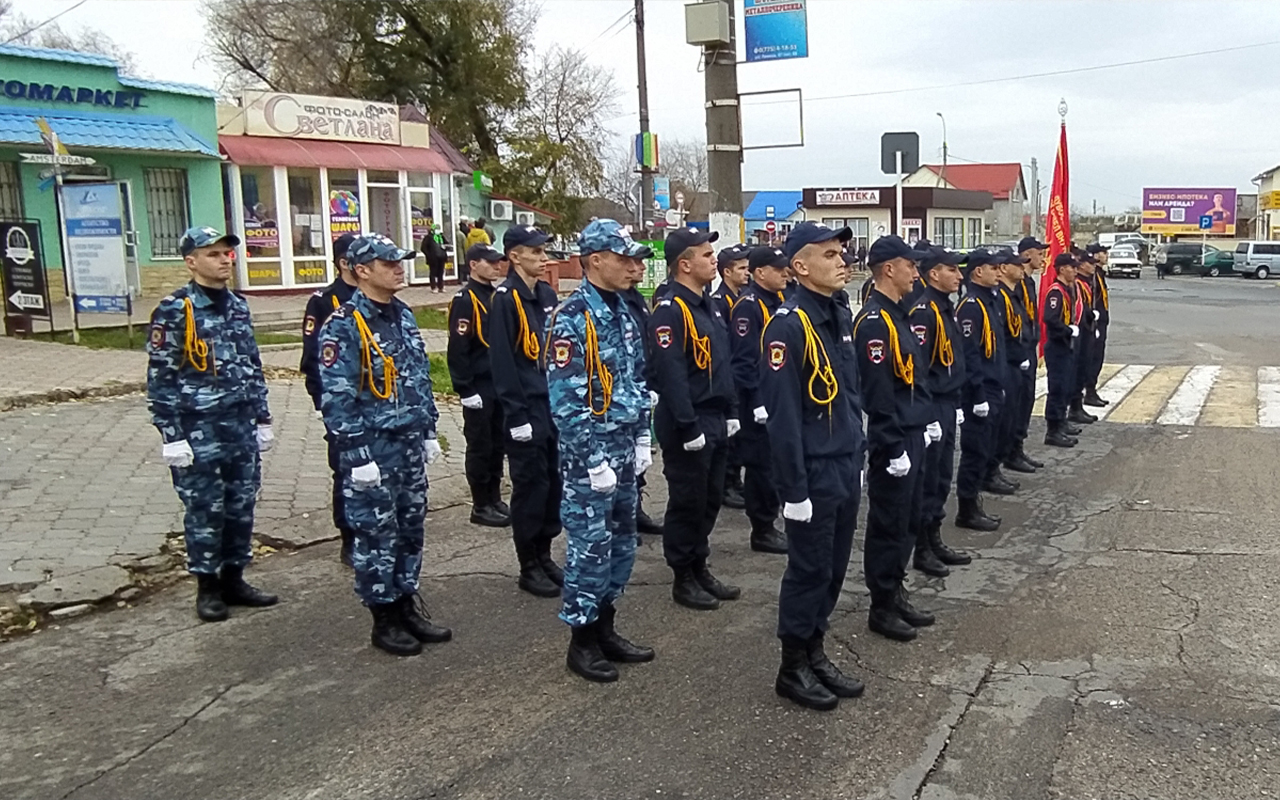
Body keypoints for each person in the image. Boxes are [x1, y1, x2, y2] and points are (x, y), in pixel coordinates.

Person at [318, 233, 450, 656]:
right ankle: (383, 617)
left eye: (399, 261)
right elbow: (337, 399)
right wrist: (357, 455)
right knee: (376, 534)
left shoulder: (403, 315)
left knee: (410, 529)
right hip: (374, 448)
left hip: (408, 442)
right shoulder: (343, 325)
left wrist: (428, 430)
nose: (398, 269)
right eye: (388, 263)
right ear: (361, 270)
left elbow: (418, 378)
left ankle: (406, 602)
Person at [147, 226, 278, 623]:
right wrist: (172, 435)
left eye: (226, 253)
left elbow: (251, 363)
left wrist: (262, 416)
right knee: (205, 508)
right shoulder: (175, 309)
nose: (224, 260)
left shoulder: (238, 305)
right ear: (191, 262)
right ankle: (207, 586)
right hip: (199, 426)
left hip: (239, 424)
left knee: (241, 504)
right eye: (213, 254)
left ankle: (234, 579)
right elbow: (161, 377)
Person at [761, 220, 865, 711]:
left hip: (843, 460)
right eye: (829, 255)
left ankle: (815, 650)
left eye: (841, 253)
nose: (841, 262)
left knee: (834, 567)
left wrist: (858, 450)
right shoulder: (788, 326)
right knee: (808, 570)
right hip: (814, 472)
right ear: (800, 267)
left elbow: (848, 394)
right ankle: (792, 665)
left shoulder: (838, 312)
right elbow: (783, 418)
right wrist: (794, 490)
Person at [547, 219, 655, 683]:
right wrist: (592, 459)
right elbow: (565, 401)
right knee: (590, 547)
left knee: (623, 542)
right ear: (595, 260)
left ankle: (606, 626)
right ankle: (583, 639)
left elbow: (635, 382)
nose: (634, 267)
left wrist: (643, 436)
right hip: (589, 455)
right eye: (624, 258)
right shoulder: (572, 318)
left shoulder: (624, 312)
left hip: (623, 446)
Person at [648, 227, 740, 610]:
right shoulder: (670, 310)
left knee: (710, 498)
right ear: (684, 265)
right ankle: (683, 575)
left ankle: (699, 565)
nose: (713, 259)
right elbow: (671, 374)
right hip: (688, 420)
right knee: (688, 501)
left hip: (715, 416)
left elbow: (722, 363)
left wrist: (732, 410)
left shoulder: (709, 306)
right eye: (705, 254)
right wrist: (687, 426)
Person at [853, 235, 935, 642]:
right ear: (889, 269)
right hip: (894, 438)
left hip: (913, 429)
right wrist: (893, 444)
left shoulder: (898, 314)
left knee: (908, 519)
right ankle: (881, 604)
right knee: (889, 522)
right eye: (910, 265)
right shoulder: (874, 322)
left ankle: (896, 590)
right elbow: (878, 392)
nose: (916, 273)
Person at [490, 225, 565, 597]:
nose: (543, 258)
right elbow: (503, 361)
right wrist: (516, 415)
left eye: (543, 251)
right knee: (531, 487)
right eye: (535, 252)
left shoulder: (545, 293)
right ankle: (528, 563)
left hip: (551, 403)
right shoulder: (506, 299)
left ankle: (545, 553)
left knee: (552, 484)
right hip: (526, 407)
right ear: (515, 256)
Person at [908, 246, 971, 577]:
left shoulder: (945, 307)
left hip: (947, 401)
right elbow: (919, 368)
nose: (959, 276)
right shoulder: (924, 311)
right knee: (929, 478)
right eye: (952, 270)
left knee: (943, 475)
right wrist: (928, 413)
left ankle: (934, 537)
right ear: (933, 274)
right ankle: (922, 546)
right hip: (932, 404)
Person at [299, 232, 360, 566]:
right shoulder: (325, 301)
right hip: (341, 403)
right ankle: (349, 538)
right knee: (346, 470)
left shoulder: (374, 298)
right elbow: (313, 357)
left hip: (376, 403)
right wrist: (322, 402)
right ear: (344, 263)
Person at [728, 245, 792, 555]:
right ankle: (762, 528)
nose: (784, 274)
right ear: (760, 273)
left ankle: (771, 519)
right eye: (778, 269)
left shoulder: (778, 300)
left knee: (776, 464)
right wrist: (755, 401)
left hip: (777, 396)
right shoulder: (749, 306)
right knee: (761, 466)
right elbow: (744, 361)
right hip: (758, 402)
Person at [448, 243, 512, 529]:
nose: (497, 266)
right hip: (479, 384)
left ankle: (495, 497)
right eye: (490, 262)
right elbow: (459, 348)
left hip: (498, 382)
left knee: (498, 444)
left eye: (498, 262)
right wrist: (465, 388)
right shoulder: (466, 299)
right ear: (473, 264)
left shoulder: (495, 295)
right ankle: (480, 503)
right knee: (481, 445)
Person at [954, 249, 1009, 531]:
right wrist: (977, 395)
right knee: (975, 451)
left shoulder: (990, 301)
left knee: (986, 446)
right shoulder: (971, 306)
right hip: (980, 391)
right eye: (993, 268)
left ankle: (975, 500)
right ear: (978, 272)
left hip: (993, 385)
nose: (998, 273)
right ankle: (967, 508)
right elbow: (970, 354)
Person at [620, 260, 664, 538]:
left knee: (637, 461)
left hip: (639, 391)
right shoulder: (613, 302)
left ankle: (635, 510)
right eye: (631, 262)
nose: (640, 268)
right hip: (615, 404)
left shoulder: (634, 298)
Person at [712, 243, 751, 512]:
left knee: (741, 433)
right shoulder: (720, 301)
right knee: (731, 435)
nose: (747, 273)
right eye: (742, 268)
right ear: (727, 272)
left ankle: (735, 480)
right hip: (730, 373)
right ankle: (727, 483)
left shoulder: (741, 297)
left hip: (738, 373)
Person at [993, 250, 1039, 475]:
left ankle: (1015, 449)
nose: (1022, 268)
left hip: (1022, 357)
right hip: (1009, 363)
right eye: (1017, 265)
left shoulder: (1014, 293)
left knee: (1022, 406)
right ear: (1004, 268)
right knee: (1006, 416)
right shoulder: (1000, 297)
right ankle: (999, 462)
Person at [1013, 237, 1047, 470]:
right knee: (1018, 402)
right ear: (1026, 255)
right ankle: (1011, 452)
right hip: (1020, 350)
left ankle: (1018, 447)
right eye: (1039, 253)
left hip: (1029, 348)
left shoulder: (1029, 282)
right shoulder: (1018, 283)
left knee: (1027, 400)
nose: (1043, 258)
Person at [1043, 253, 1083, 448]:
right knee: (1057, 389)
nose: (1075, 271)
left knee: (1066, 386)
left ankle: (1062, 422)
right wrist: (1067, 330)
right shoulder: (1056, 292)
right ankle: (1053, 430)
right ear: (1061, 269)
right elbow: (1050, 318)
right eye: (1072, 268)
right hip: (1057, 345)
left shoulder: (1068, 289)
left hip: (1066, 345)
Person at [1069, 252, 1099, 426]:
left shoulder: (1087, 281)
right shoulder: (1078, 283)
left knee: (1083, 368)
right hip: (1079, 331)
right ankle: (1074, 408)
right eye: (1090, 263)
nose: (1093, 266)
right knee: (1077, 370)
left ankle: (1077, 406)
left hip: (1086, 330)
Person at [1083, 243, 1111, 407]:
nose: (1106, 255)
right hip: (1095, 322)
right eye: (1103, 253)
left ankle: (1091, 390)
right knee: (1093, 358)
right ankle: (1089, 391)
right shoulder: (1093, 276)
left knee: (1097, 357)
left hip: (1101, 321)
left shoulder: (1099, 273)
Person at [421, 224, 448, 293]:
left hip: (441, 257)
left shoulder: (441, 237)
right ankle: (433, 287)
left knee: (440, 272)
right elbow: (423, 248)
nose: (437, 230)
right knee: (433, 273)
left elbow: (446, 244)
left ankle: (441, 287)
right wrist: (429, 255)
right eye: (436, 229)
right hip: (433, 259)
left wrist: (445, 247)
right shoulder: (428, 237)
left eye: (438, 229)